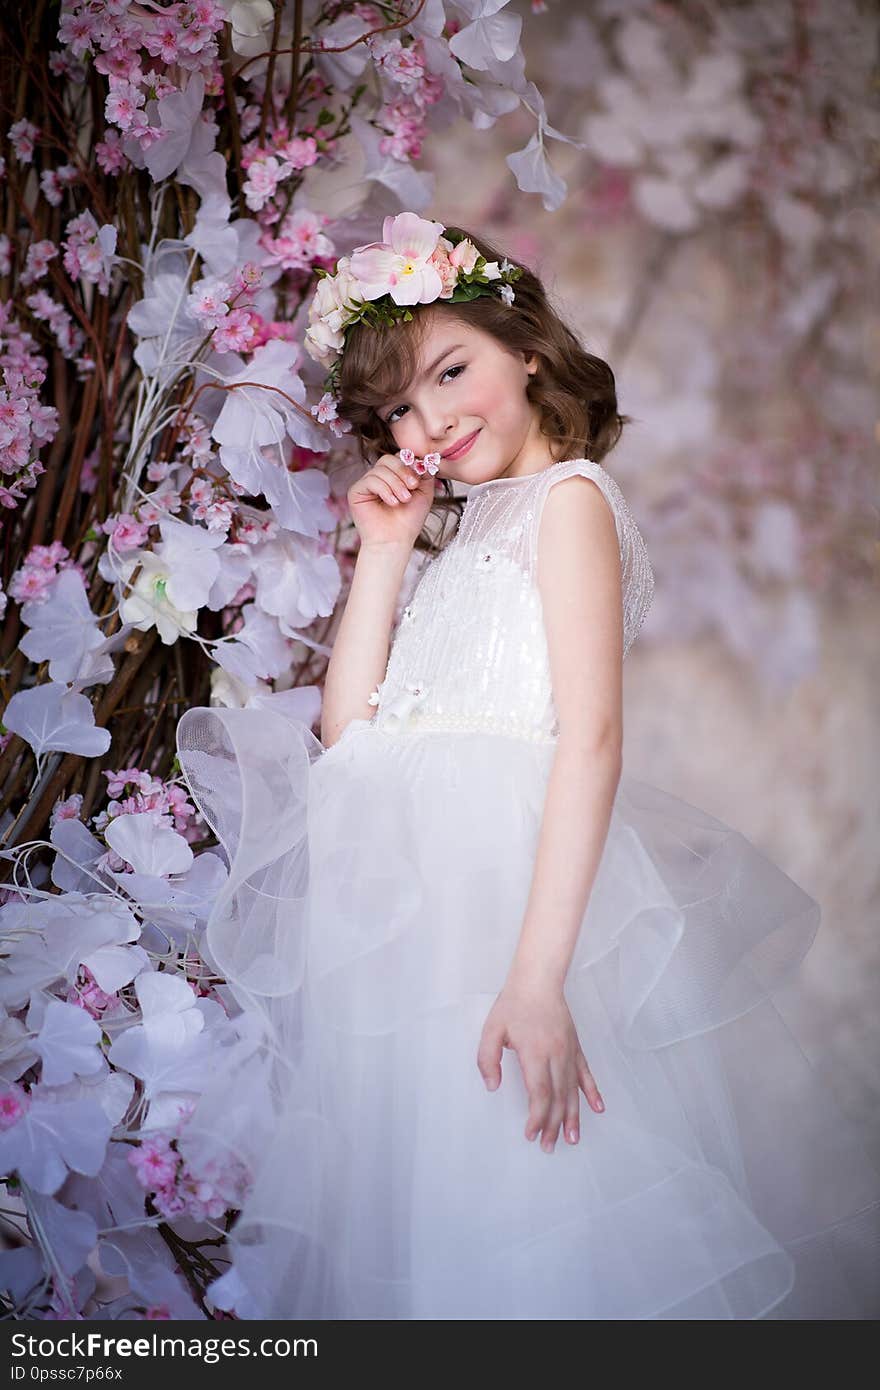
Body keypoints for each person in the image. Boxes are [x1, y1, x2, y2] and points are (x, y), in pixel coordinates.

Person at [176, 213, 880, 1320]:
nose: (431, 420)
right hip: (416, 924)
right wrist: (386, 553)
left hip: (505, 919)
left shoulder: (570, 503)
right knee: (435, 1220)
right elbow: (353, 738)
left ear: (529, 351)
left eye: (452, 371)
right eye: (399, 407)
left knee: (524, 1222)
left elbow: (591, 741)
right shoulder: (461, 531)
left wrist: (540, 978)